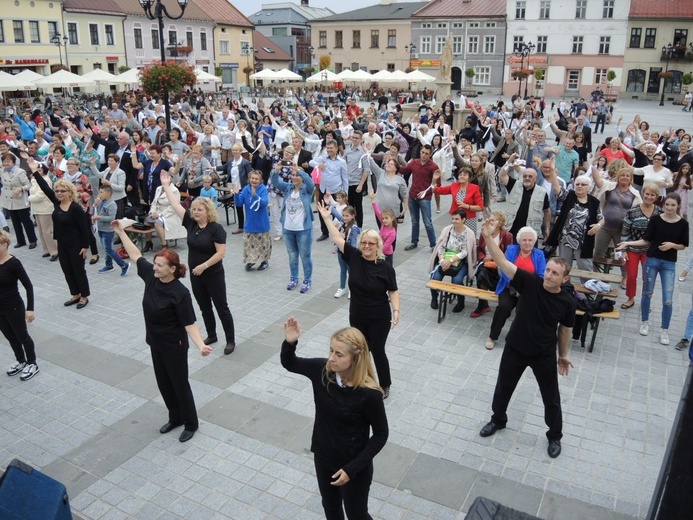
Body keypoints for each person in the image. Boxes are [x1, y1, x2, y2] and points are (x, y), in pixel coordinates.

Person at [478, 219, 575, 458]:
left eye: (555, 273)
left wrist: (563, 355)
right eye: (548, 270)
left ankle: (554, 436)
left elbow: (565, 330)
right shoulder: (530, 282)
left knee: (551, 397)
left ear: (564, 279)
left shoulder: (567, 302)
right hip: (515, 348)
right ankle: (498, 419)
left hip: (543, 353)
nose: (549, 276)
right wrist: (489, 237)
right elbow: (501, 261)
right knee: (503, 388)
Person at [112, 221, 212, 442]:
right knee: (164, 384)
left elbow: (189, 323)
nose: (154, 267)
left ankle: (190, 423)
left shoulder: (180, 293)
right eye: (155, 264)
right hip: (155, 343)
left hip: (174, 347)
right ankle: (175, 417)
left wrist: (200, 345)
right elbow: (136, 254)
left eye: (159, 265)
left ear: (172, 269)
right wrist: (121, 232)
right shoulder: (151, 276)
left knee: (179, 384)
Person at [280, 317, 388, 519]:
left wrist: (351, 469)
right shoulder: (322, 371)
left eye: (339, 354)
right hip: (324, 457)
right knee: (331, 509)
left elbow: (381, 434)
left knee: (357, 515)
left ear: (355, 359)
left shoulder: (370, 394)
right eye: (331, 350)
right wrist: (290, 343)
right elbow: (290, 363)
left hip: (354, 467)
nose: (331, 358)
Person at [318, 202, 400, 399]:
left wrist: (396, 311)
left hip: (379, 316)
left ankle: (385, 384)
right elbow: (337, 238)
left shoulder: (384, 267)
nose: (367, 246)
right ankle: (359, 379)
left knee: (377, 351)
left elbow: (393, 291)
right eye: (364, 242)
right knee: (358, 350)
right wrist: (327, 218)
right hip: (357, 314)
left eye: (371, 243)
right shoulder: (354, 257)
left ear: (378, 246)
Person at [160, 171, 237, 355]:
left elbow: (221, 253)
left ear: (208, 212)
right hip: (196, 275)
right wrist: (165, 185)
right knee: (204, 307)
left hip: (213, 274)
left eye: (199, 210)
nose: (195, 212)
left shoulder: (216, 229)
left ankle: (230, 340)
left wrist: (204, 266)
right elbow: (175, 204)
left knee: (222, 307)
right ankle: (212, 334)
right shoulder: (191, 223)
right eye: (194, 209)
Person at [617, 193, 689, 346]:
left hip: (669, 263)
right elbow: (646, 240)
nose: (669, 208)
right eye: (667, 205)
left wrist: (672, 245)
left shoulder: (683, 223)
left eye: (673, 205)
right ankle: (644, 322)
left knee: (668, 300)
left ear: (678, 206)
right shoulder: (656, 219)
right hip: (653, 260)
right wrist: (627, 243)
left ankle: (665, 330)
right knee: (647, 293)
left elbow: (683, 245)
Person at [29, 159, 91, 309]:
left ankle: (84, 296)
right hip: (62, 243)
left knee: (78, 271)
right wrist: (34, 170)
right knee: (67, 270)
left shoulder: (75, 208)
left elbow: (84, 228)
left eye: (63, 191)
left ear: (70, 192)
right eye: (57, 191)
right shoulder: (56, 203)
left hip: (76, 244)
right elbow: (44, 188)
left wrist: (85, 246)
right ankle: (74, 294)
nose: (59, 193)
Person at [0, 230, 39, 381]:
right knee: (10, 336)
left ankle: (32, 363)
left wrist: (30, 309)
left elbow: (28, 286)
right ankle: (21, 360)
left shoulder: (13, 263)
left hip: (14, 306)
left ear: (5, 245)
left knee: (22, 335)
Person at [271, 164, 316, 293]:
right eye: (293, 175)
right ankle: (294, 279)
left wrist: (300, 171)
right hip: (288, 229)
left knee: (305, 256)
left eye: (297, 175)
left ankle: (307, 281)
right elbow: (275, 182)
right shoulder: (288, 188)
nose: (295, 177)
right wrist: (276, 170)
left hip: (303, 230)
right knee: (292, 256)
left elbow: (310, 181)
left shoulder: (307, 189)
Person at [545, 175, 603, 271]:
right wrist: (552, 171)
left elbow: (602, 218)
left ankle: (586, 285)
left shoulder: (594, 202)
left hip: (584, 241)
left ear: (589, 187)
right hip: (565, 238)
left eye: (583, 184)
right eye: (577, 184)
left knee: (586, 267)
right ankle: (564, 285)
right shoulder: (569, 195)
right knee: (564, 267)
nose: (580, 186)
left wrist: (598, 225)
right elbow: (556, 188)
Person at [619, 184, 662, 310]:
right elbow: (625, 231)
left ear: (656, 197)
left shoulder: (660, 212)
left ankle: (645, 301)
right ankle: (630, 298)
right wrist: (624, 250)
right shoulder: (633, 211)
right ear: (642, 194)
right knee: (631, 276)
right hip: (632, 249)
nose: (649, 197)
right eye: (647, 194)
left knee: (648, 277)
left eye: (652, 195)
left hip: (650, 251)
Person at [427, 208, 476, 313]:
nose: (454, 221)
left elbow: (465, 252)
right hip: (444, 259)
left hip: (461, 261)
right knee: (434, 277)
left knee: (457, 280)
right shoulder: (447, 230)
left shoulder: (469, 233)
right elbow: (440, 247)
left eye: (457, 219)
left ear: (463, 219)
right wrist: (442, 261)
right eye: (452, 219)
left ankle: (460, 301)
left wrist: (451, 260)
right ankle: (434, 298)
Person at [473, 211, 513, 318]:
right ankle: (482, 304)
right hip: (485, 263)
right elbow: (479, 249)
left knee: (488, 275)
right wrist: (483, 258)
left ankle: (486, 303)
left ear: (500, 223)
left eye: (493, 220)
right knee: (481, 273)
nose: (490, 221)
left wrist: (494, 258)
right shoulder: (485, 233)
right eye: (489, 219)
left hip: (499, 265)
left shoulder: (507, 236)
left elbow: (509, 254)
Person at [400, 145, 440, 251]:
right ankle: (414, 242)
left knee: (427, 222)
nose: (423, 155)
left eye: (426, 153)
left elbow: (437, 185)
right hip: (413, 195)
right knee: (414, 221)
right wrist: (394, 163)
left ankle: (433, 244)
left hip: (425, 198)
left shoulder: (433, 167)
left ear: (430, 154)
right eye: (422, 152)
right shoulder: (415, 162)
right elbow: (404, 171)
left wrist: (426, 191)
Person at [230, 170, 271, 272]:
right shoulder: (246, 189)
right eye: (252, 178)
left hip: (261, 223)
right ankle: (251, 260)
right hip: (250, 223)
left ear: (260, 180)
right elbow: (239, 203)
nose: (254, 180)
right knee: (250, 243)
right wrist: (236, 194)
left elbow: (264, 203)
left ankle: (264, 261)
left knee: (262, 244)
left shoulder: (263, 189)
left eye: (256, 179)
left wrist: (255, 196)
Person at [432, 166, 484, 236]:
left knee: (468, 240)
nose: (462, 176)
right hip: (456, 219)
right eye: (460, 175)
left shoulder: (474, 188)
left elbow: (480, 207)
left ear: (469, 178)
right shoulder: (454, 185)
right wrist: (434, 179)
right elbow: (437, 190)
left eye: (465, 175)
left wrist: (467, 206)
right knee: (454, 238)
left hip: (468, 219)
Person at [1, 153, 37, 249]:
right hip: (9, 200)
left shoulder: (20, 172)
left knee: (26, 221)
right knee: (15, 222)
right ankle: (21, 241)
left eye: (8, 161)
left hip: (20, 199)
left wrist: (21, 189)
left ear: (13, 162)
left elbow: (28, 185)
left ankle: (33, 240)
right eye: (4, 161)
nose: (6, 163)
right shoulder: (2, 171)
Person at [93, 186, 130, 276]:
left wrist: (99, 218)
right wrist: (95, 205)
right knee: (106, 249)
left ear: (108, 193)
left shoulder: (112, 204)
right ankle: (109, 265)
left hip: (108, 231)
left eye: (101, 192)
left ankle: (123, 265)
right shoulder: (101, 202)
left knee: (109, 249)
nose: (99, 194)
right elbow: (95, 212)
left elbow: (111, 218)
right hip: (101, 229)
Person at [28, 162, 58, 261]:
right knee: (41, 231)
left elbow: (40, 196)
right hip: (37, 209)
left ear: (44, 171)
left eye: (40, 170)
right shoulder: (35, 180)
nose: (37, 172)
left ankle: (55, 251)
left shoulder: (46, 180)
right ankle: (46, 250)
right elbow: (32, 190)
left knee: (47, 231)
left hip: (45, 209)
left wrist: (29, 198)